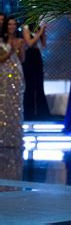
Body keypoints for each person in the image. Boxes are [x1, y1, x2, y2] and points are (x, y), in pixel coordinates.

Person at [0, 16, 25, 147]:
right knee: (3, 105)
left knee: (16, 104)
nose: (12, 27)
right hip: (3, 73)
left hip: (16, 73)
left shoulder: (20, 40)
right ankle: (2, 137)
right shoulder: (1, 41)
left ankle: (14, 137)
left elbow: (22, 59)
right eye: (9, 24)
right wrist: (9, 51)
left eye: (14, 24)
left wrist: (20, 48)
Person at [22, 23, 50, 120]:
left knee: (39, 84)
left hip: (37, 55)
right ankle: (29, 113)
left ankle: (41, 112)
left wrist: (43, 33)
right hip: (29, 56)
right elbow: (29, 43)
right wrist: (40, 32)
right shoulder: (26, 28)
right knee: (29, 85)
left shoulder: (38, 28)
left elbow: (43, 45)